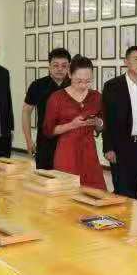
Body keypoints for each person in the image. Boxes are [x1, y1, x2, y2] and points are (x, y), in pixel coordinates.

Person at [102, 46, 137, 199]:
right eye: (136, 59)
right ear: (126, 62)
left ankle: (134, 215)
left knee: (136, 187)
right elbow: (107, 118)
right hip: (120, 146)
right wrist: (108, 147)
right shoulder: (112, 86)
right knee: (122, 190)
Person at [43, 56, 105, 189]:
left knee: (95, 193)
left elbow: (102, 126)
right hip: (67, 152)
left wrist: (98, 122)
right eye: (79, 81)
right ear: (70, 74)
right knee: (67, 192)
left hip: (89, 152)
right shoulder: (57, 98)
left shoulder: (96, 96)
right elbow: (48, 131)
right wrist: (72, 125)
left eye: (88, 81)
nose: (83, 85)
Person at [23, 48, 70, 169]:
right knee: (45, 177)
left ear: (69, 67)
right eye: (56, 65)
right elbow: (26, 112)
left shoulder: (74, 85)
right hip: (45, 143)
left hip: (69, 142)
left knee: (68, 178)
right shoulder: (38, 85)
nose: (60, 69)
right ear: (49, 67)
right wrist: (29, 140)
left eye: (64, 66)